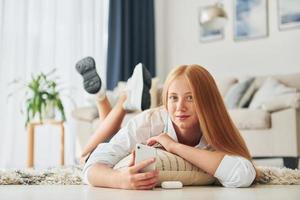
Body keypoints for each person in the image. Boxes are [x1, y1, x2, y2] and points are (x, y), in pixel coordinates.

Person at [76, 57, 257, 189]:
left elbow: (243, 175)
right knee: (84, 156)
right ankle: (117, 98)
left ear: (207, 101)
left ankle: (113, 97)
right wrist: (119, 180)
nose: (180, 107)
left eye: (190, 98)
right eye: (173, 98)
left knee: (102, 142)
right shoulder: (149, 122)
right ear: (166, 100)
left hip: (127, 138)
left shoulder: (215, 128)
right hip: (104, 150)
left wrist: (174, 146)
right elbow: (91, 168)